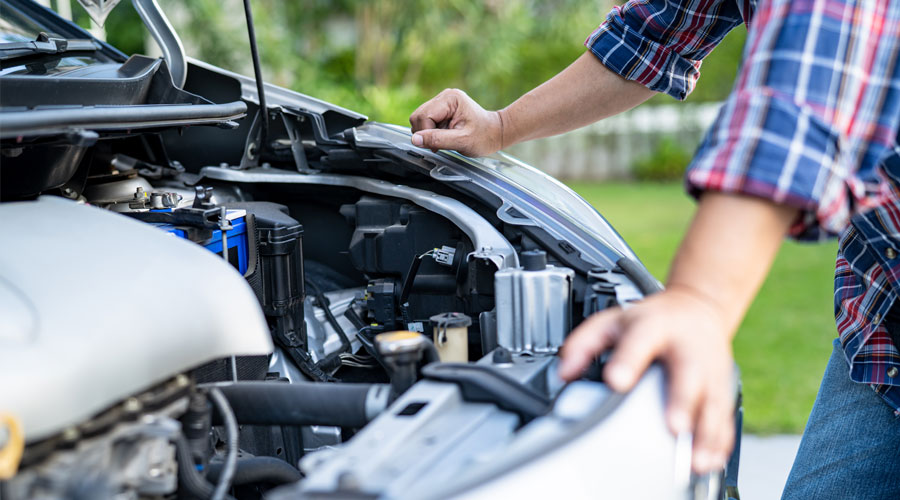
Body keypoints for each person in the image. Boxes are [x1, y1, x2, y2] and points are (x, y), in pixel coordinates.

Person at [408, 0, 900, 496]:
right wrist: (501, 126)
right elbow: (650, 39)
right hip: (880, 317)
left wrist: (700, 299)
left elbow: (807, 85)